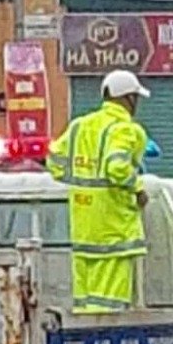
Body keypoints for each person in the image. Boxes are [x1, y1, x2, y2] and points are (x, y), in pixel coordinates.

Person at [46, 69, 151, 313]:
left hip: (83, 229)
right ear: (129, 98)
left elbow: (54, 160)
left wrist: (80, 180)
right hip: (113, 230)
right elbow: (116, 168)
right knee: (109, 307)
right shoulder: (126, 130)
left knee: (84, 305)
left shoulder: (79, 126)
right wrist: (137, 189)